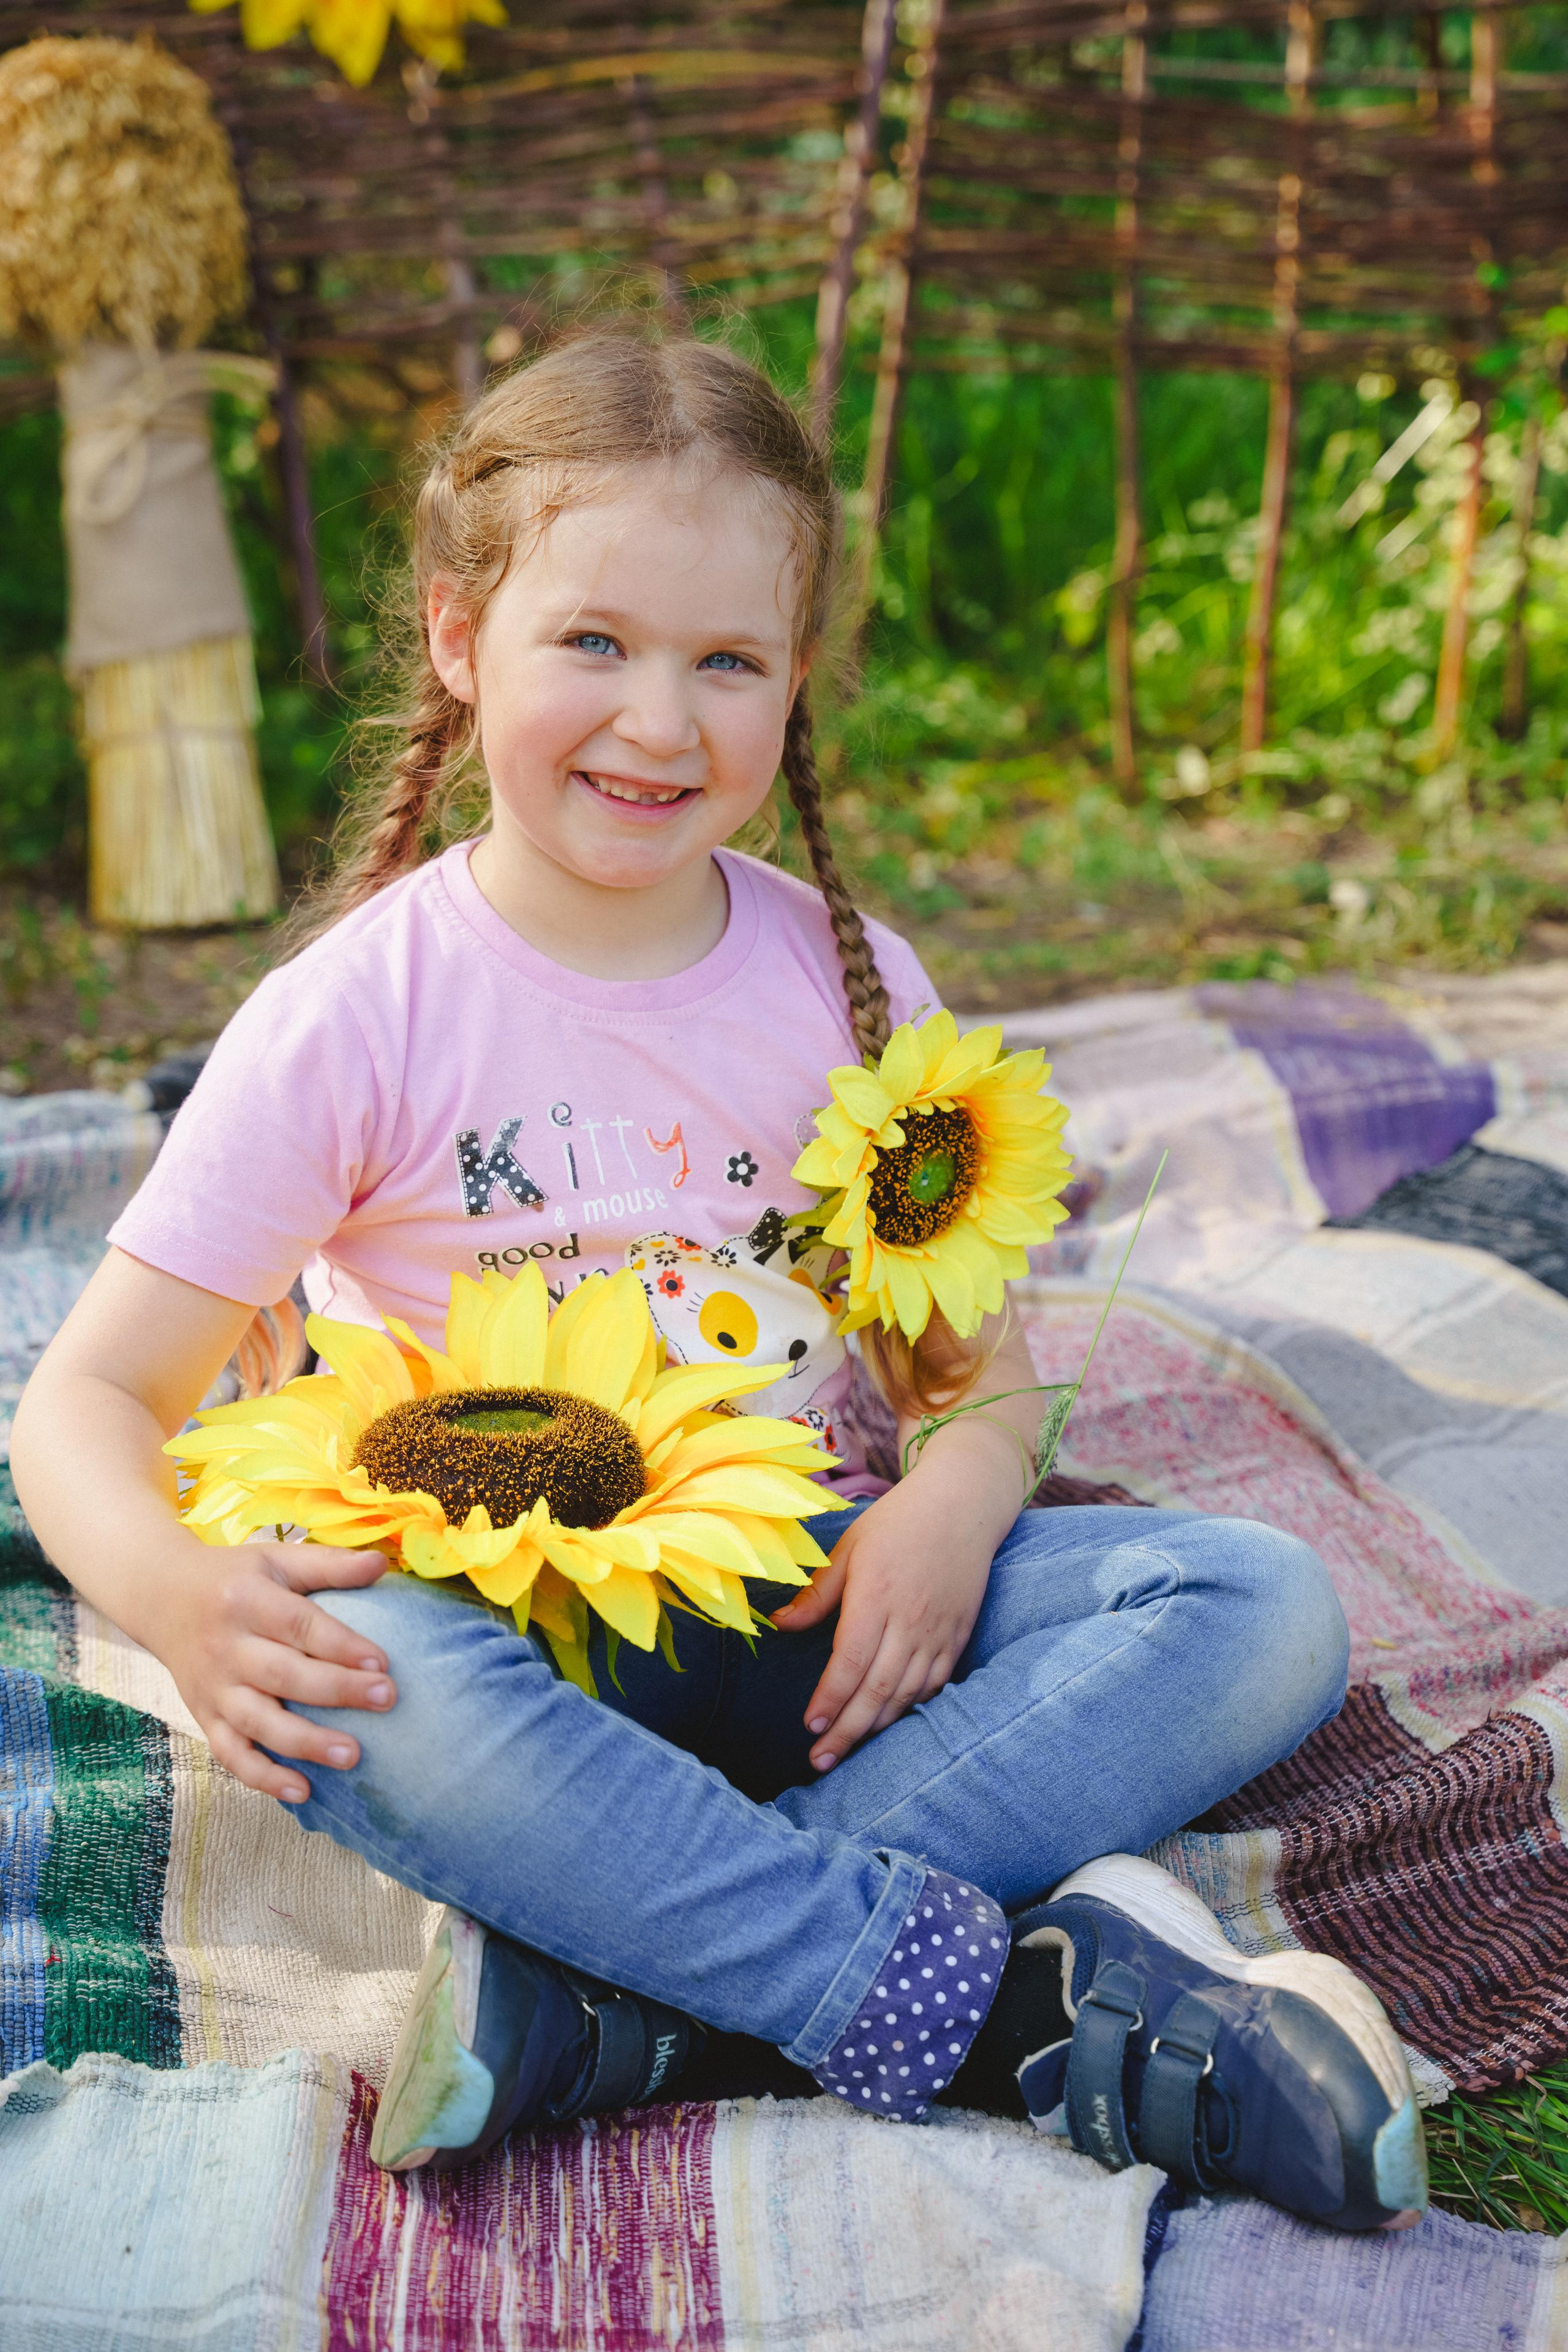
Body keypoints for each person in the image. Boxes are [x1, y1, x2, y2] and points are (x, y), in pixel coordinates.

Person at [10, 329, 1425, 2231]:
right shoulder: (357, 1016)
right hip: (501, 1644)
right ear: (458, 637)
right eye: (594, 642)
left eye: (727, 663)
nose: (659, 723)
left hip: (804, 1618)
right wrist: (185, 1601)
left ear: (795, 676)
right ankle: (961, 2002)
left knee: (1254, 1605)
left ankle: (630, 1988)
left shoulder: (845, 985)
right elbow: (88, 1400)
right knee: (357, 1672)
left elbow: (977, 1377)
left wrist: (953, 1505)